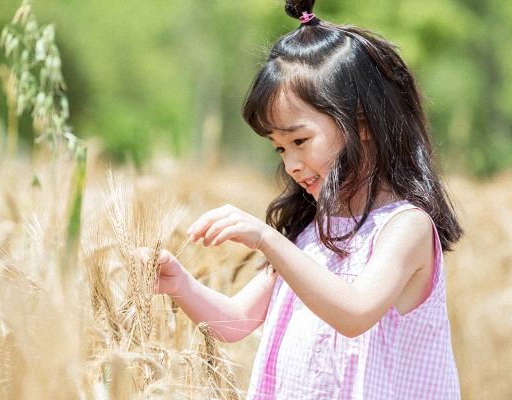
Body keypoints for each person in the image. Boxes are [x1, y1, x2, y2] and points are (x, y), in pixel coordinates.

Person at [138, 0, 463, 398]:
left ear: (361, 124)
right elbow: (237, 320)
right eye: (279, 148)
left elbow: (356, 312)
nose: (291, 163)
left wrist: (267, 239)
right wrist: (180, 285)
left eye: (299, 140)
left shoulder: (405, 227)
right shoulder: (311, 232)